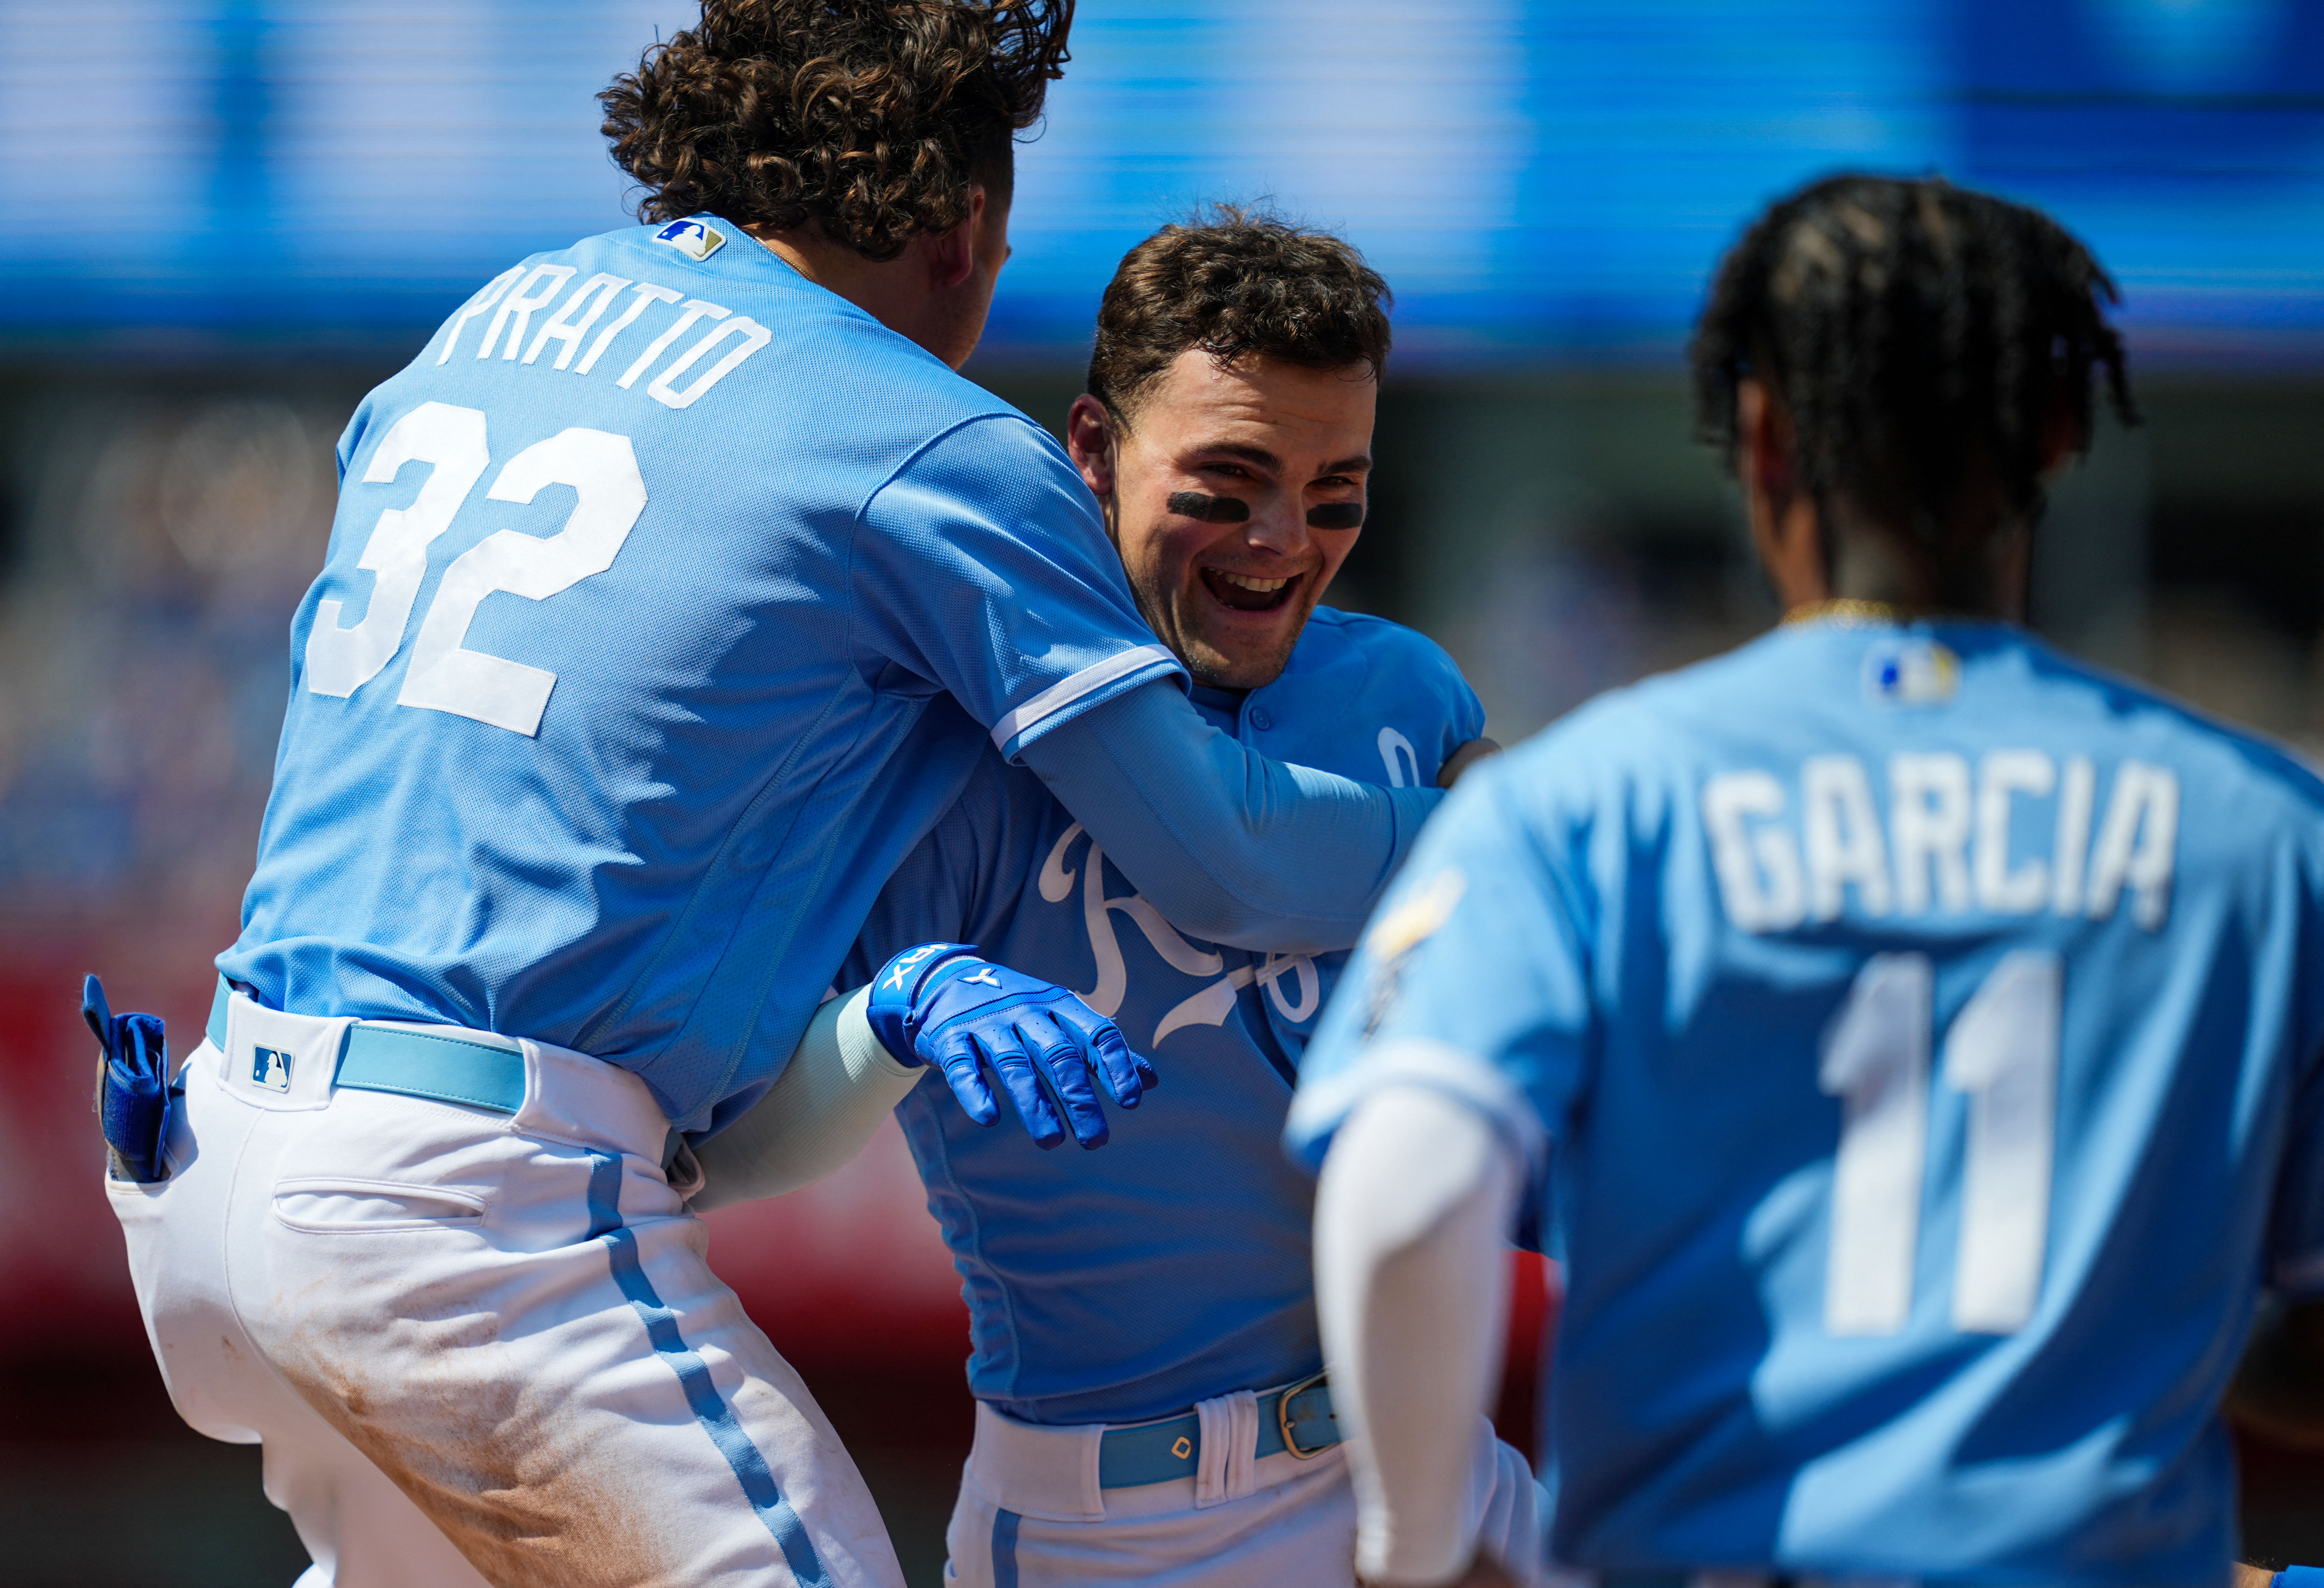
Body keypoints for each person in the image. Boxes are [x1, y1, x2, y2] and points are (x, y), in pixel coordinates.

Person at [93, 6, 1458, 1585]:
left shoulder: (493, 316)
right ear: (966, 227)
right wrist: (1510, 833)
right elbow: (1228, 860)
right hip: (460, 1210)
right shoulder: (925, 431)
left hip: (213, 1153)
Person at [1286, 173, 2324, 1588]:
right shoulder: (2269, 836)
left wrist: (1417, 1548)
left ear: (1762, 438)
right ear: (2064, 435)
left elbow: (1404, 1194)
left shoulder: (1577, 805)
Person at [694, 209, 1541, 1587]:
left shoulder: (1408, 692)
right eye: (1227, 479)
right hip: (1113, 1532)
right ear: (1090, 449)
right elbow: (730, 1152)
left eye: (1338, 489)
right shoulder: (947, 761)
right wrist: (897, 1012)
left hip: (1436, 1472)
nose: (1280, 542)